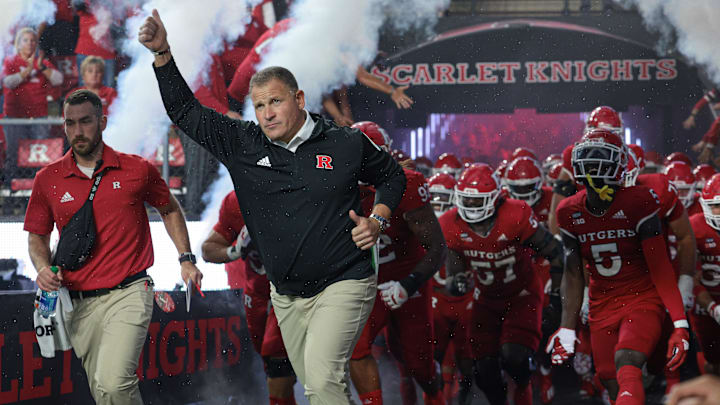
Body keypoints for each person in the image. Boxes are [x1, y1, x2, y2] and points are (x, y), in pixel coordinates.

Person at [139, 10, 407, 404]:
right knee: (321, 383)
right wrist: (162, 54)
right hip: (286, 294)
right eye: (259, 104)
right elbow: (186, 113)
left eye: (276, 102)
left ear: (299, 99)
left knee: (320, 382)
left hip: (345, 280)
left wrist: (378, 220)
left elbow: (393, 177)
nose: (267, 113)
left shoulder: (345, 142)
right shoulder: (243, 142)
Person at [26, 89, 203, 404]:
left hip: (130, 291)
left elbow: (170, 208)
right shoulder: (47, 179)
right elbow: (37, 236)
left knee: (114, 384)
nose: (78, 131)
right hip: (77, 303)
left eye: (85, 122)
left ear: (102, 122)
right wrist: (41, 268)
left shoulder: (137, 169)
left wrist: (186, 258)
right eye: (70, 123)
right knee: (103, 391)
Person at [550, 129, 690, 405]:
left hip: (641, 297)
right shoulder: (567, 211)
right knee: (609, 378)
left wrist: (680, 323)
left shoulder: (640, 201)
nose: (593, 165)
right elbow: (574, 273)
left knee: (626, 360)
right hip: (602, 305)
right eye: (588, 158)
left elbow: (660, 269)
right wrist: (567, 328)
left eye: (600, 158)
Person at [443, 163, 564, 405]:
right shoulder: (450, 223)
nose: (471, 206)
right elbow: (453, 276)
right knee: (484, 372)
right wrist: (457, 284)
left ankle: (524, 391)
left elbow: (556, 253)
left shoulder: (515, 214)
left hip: (521, 295)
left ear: (496, 198)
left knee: (515, 358)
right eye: (466, 200)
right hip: (485, 299)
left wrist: (557, 299)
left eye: (478, 201)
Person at [347, 121, 447, 405]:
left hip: (407, 274)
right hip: (365, 280)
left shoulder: (408, 183)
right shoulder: (335, 189)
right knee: (357, 347)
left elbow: (437, 247)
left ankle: (434, 392)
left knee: (419, 364)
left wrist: (409, 283)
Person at [201, 190, 297, 405]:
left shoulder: (299, 189)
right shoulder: (237, 199)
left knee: (277, 361)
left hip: (294, 290)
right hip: (257, 295)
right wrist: (235, 251)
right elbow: (208, 249)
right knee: (273, 364)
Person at [2, 27, 63, 186]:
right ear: (18, 43)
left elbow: (58, 80)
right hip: (15, 117)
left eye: (33, 40)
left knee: (39, 157)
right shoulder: (10, 61)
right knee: (13, 155)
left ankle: (38, 192)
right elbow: (8, 82)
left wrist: (41, 68)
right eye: (26, 40)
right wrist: (26, 72)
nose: (30, 43)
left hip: (39, 116)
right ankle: (10, 194)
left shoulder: (43, 63)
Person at [689, 173, 720, 376]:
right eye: (716, 205)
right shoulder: (694, 226)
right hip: (705, 307)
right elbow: (690, 275)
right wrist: (712, 308)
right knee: (713, 364)